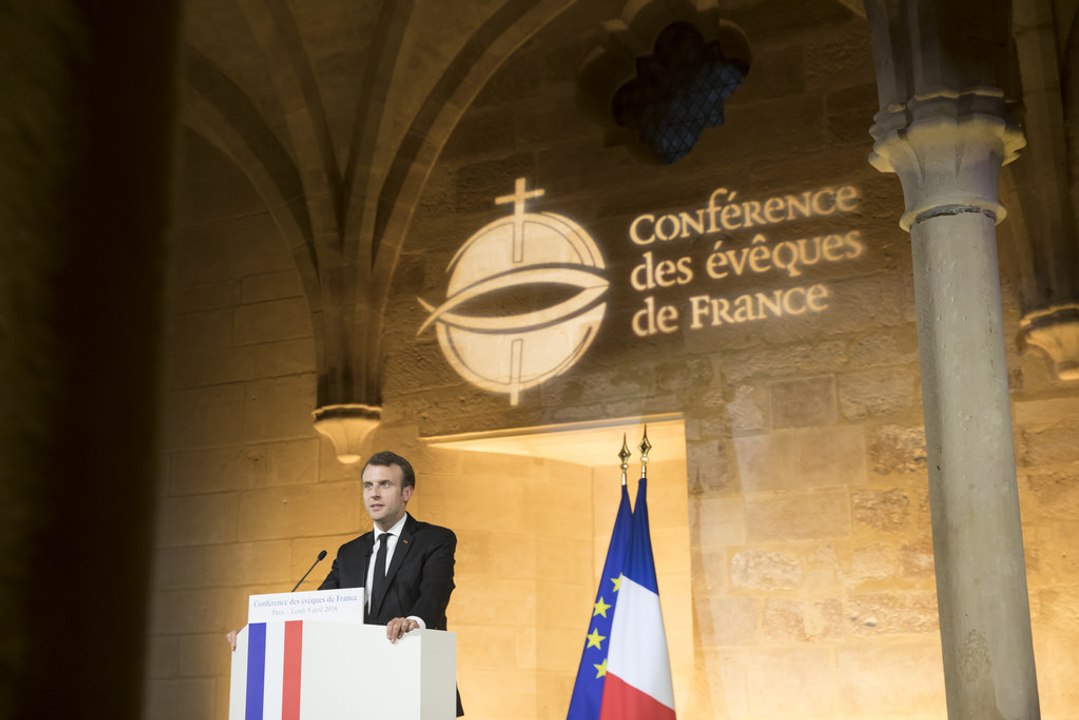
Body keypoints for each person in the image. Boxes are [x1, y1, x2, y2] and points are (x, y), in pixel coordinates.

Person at [226, 450, 462, 714]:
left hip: (415, 676)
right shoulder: (349, 552)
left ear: (406, 493)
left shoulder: (434, 539)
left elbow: (435, 592)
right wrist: (257, 631)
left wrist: (414, 621)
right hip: (357, 687)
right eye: (368, 485)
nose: (374, 493)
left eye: (385, 484)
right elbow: (317, 605)